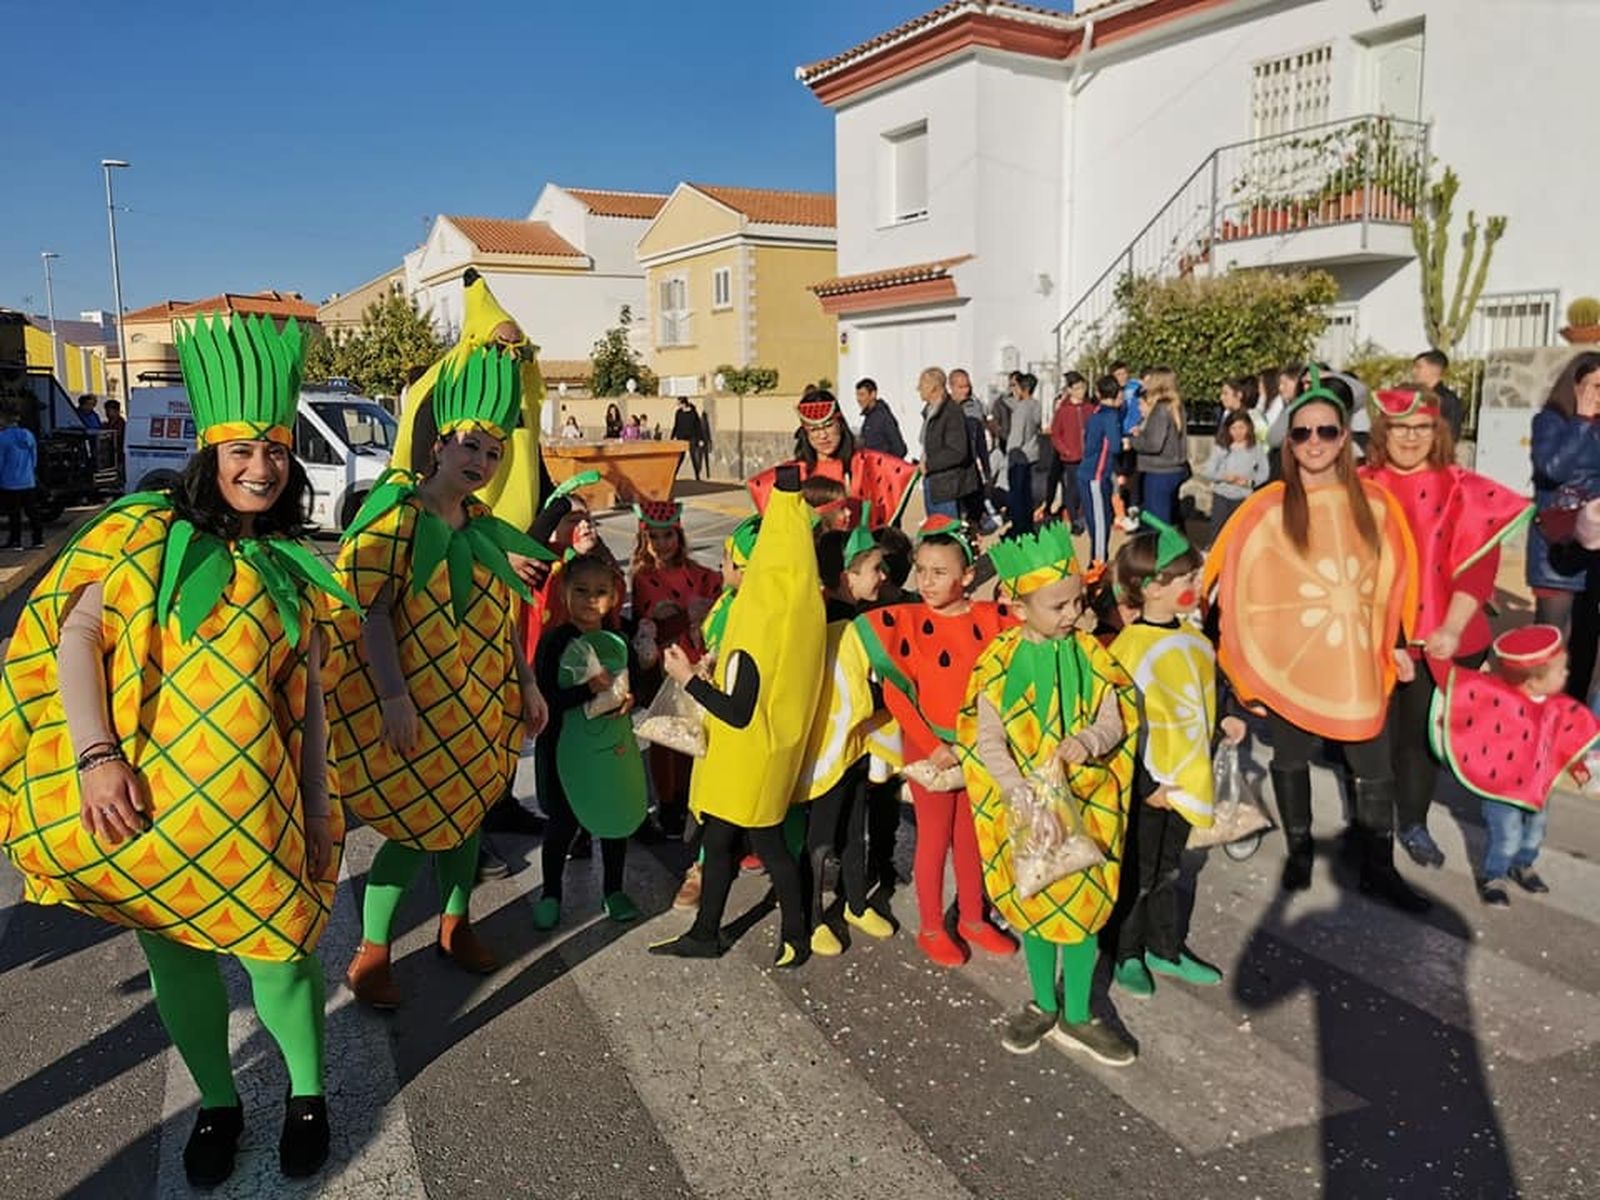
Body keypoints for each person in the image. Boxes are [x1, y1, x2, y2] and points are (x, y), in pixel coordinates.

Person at [0, 314, 349, 1186]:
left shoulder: (298, 574)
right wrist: (96, 755)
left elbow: (306, 716)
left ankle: (307, 1096)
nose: (260, 469)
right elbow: (75, 639)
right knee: (180, 961)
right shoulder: (144, 534)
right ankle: (221, 1104)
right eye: (242, 451)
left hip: (256, 814)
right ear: (210, 452)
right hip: (151, 809)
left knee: (284, 956)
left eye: (274, 451)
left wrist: (315, 812)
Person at [335, 344, 553, 1011]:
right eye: (471, 447)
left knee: (466, 822)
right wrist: (395, 698)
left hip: (482, 706)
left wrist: (527, 683)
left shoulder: (486, 526)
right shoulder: (396, 519)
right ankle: (372, 952)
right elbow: (368, 613)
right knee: (412, 829)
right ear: (436, 446)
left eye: (493, 452)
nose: (482, 463)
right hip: (419, 709)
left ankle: (455, 928)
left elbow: (501, 618)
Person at [1204, 369, 1426, 911]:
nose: (1314, 443)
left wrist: (1404, 641)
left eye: (1326, 432)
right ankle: (1299, 851)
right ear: (1289, 441)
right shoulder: (1268, 505)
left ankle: (1380, 866)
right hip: (1291, 661)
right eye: (1301, 433)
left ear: (1344, 437)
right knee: (1291, 755)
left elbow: (1394, 576)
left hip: (1358, 657)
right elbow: (1227, 570)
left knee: (1373, 762)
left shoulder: (1375, 504)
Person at [955, 522, 1139, 1062]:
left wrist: (1088, 741)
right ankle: (1041, 1002)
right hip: (1027, 809)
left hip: (1089, 805)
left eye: (1078, 602)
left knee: (1083, 905)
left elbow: (1117, 713)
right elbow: (984, 738)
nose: (1073, 614)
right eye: (1058, 605)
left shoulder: (1091, 653)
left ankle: (1077, 1014)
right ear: (1018, 607)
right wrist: (1017, 791)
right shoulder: (997, 664)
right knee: (1034, 901)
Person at [651, 466, 822, 967]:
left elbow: (738, 710)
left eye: (727, 559)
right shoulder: (794, 612)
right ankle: (707, 933)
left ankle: (796, 934)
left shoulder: (755, 628)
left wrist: (688, 678)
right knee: (722, 843)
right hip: (768, 755)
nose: (722, 565)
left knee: (769, 851)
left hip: (744, 762)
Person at [1361, 386, 1530, 868]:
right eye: (1400, 427)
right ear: (1383, 431)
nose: (1410, 437)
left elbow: (1478, 569)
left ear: (1438, 431)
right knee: (1369, 736)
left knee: (1417, 739)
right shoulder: (1360, 484)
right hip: (1370, 634)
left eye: (1422, 427)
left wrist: (1453, 627)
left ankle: (1412, 822)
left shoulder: (1465, 488)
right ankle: (1371, 828)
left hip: (1438, 636)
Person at [855, 517, 1018, 967]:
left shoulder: (988, 619)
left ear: (967, 576)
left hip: (977, 745)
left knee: (972, 837)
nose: (926, 582)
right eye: (921, 570)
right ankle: (930, 926)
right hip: (929, 747)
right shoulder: (907, 621)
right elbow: (896, 695)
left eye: (939, 572)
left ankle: (971, 917)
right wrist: (931, 744)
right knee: (934, 838)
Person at [1107, 515, 1245, 998]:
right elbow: (1120, 726)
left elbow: (1206, 684)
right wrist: (1147, 788)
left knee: (1169, 868)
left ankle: (1164, 947)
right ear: (1152, 589)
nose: (1195, 584)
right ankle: (1126, 952)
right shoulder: (1128, 648)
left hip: (1189, 777)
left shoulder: (1194, 637)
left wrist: (1225, 713)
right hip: (1151, 786)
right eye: (1186, 578)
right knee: (1138, 872)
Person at [1432, 625, 1600, 906]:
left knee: (1536, 829)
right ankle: (1494, 874)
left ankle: (1523, 864)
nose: (1567, 674)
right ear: (1533, 681)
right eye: (1561, 670)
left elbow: (1571, 742)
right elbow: (1463, 699)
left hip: (1538, 785)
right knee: (1507, 834)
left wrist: (1584, 773)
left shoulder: (1559, 706)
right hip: (1502, 789)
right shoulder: (1500, 700)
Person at [794, 518, 896, 955]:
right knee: (820, 839)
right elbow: (854, 690)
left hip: (855, 747)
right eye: (874, 568)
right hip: (830, 750)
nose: (883, 576)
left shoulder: (855, 617)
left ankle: (854, 902)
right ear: (846, 577)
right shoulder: (836, 624)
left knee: (856, 830)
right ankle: (810, 916)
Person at [533, 555, 647, 929]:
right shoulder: (556, 642)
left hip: (609, 751)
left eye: (600, 593)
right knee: (562, 823)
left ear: (614, 597)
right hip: (565, 749)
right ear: (565, 593)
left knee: (612, 818)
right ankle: (551, 892)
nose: (589, 600)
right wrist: (586, 690)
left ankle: (613, 889)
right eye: (581, 591)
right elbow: (547, 696)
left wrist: (631, 699)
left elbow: (635, 685)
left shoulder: (619, 639)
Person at [630, 500, 722, 834]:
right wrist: (687, 615)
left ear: (679, 534)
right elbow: (653, 625)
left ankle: (687, 798)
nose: (662, 543)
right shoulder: (643, 578)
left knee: (694, 732)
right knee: (666, 736)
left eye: (667, 535)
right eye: (654, 537)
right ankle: (669, 804)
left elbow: (718, 593)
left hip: (698, 664)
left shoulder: (700, 573)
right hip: (666, 666)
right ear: (644, 538)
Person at [1526, 351, 1600, 704]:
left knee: (1587, 641)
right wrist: (1582, 421)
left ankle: (1573, 720)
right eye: (1595, 386)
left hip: (1595, 548)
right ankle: (1540, 717)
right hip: (1556, 549)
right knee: (1551, 643)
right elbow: (1552, 469)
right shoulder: (1550, 422)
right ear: (1576, 385)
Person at [746, 391, 920, 528]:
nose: (823, 435)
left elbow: (900, 472)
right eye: (814, 429)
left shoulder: (864, 464)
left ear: (840, 424)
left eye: (828, 425)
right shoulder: (795, 472)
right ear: (806, 433)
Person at [1128, 367, 1188, 527]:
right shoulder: (1176, 406)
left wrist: (1133, 442)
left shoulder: (1161, 408)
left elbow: (1154, 444)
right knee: (1167, 518)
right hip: (1173, 469)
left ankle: (1162, 551)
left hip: (1159, 471)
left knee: (1158, 523)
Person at [918, 366, 978, 521]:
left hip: (948, 487)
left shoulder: (951, 412)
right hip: (934, 483)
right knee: (935, 534)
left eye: (922, 385)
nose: (918, 389)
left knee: (947, 536)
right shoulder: (930, 411)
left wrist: (930, 464)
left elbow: (957, 451)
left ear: (934, 387)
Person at [1200, 411, 1268, 542]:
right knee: (1218, 532)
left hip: (1243, 497)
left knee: (1240, 533)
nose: (1238, 432)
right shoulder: (1222, 447)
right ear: (1228, 429)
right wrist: (1224, 477)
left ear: (1249, 427)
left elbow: (1264, 472)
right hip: (1222, 496)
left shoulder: (1255, 448)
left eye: (1241, 427)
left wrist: (1250, 482)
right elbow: (1208, 471)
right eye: (1233, 428)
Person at [1080, 375, 1123, 573]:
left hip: (1088, 473)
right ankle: (1098, 565)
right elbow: (1114, 447)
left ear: (1098, 393)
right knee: (1100, 522)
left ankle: (1096, 560)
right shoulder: (1110, 416)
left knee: (1095, 520)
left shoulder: (1096, 413)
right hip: (1096, 475)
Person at [1043, 372, 1089, 531]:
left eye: (1083, 387)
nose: (1081, 391)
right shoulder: (1063, 411)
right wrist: (1065, 450)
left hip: (1088, 455)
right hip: (1070, 457)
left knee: (1086, 487)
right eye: (1077, 388)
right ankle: (1074, 519)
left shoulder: (1090, 408)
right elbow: (1056, 434)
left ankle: (1083, 516)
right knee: (1072, 488)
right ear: (1069, 390)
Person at [950, 368, 993, 528]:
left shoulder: (975, 408)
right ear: (951, 387)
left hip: (971, 468)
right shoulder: (944, 408)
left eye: (967, 386)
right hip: (951, 471)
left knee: (975, 511)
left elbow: (980, 440)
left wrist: (986, 469)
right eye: (961, 387)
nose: (965, 390)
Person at [0, 406, 44, 549]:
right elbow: (34, 457)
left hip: (9, 481)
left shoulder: (2, 437)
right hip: (28, 480)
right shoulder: (28, 435)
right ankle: (38, 540)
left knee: (14, 514)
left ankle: (16, 541)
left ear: (4, 420)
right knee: (32, 511)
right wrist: (31, 471)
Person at [1005, 372, 1042, 538]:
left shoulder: (1021, 410)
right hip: (1032, 453)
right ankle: (1027, 526)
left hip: (1019, 457)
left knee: (1018, 495)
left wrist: (1009, 453)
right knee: (1027, 495)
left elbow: (1016, 437)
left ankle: (1019, 529)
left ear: (1023, 388)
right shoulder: (1035, 405)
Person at [1412, 349, 1464, 440]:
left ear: (1434, 369)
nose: (1413, 372)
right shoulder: (1416, 397)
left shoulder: (1449, 400)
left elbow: (1451, 435)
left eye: (1418, 367)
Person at [855, 377, 908, 460]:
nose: (859, 399)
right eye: (857, 395)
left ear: (873, 394)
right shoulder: (869, 418)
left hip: (883, 470)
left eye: (862, 395)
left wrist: (884, 464)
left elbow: (899, 449)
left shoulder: (883, 417)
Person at [671, 398, 705, 479]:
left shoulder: (693, 413)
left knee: (693, 456)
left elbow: (698, 426)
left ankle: (697, 475)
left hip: (692, 436)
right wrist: (672, 436)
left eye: (679, 403)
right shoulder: (678, 412)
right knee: (680, 456)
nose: (678, 405)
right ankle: (674, 474)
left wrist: (701, 438)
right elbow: (676, 425)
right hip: (681, 437)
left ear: (684, 403)